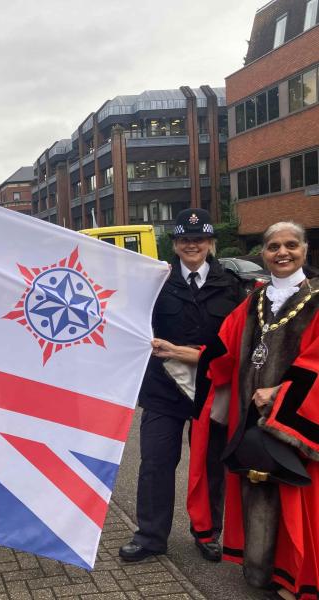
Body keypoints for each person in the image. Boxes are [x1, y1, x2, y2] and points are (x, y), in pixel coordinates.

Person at [195, 222, 319, 600]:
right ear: (263, 253)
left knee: (297, 497)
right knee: (257, 487)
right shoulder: (255, 300)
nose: (282, 252)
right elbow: (223, 350)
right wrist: (177, 355)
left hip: (292, 421)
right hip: (250, 419)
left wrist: (280, 393)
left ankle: (297, 577)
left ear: (305, 249)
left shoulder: (317, 298)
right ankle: (265, 569)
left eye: (291, 245)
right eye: (273, 246)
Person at [119, 208, 245, 563]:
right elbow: (132, 325)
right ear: (174, 244)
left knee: (211, 467)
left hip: (212, 390)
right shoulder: (155, 282)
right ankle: (150, 536)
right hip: (162, 389)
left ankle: (208, 534)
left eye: (199, 239)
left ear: (210, 243)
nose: (192, 245)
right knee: (156, 464)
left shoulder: (231, 285)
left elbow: (237, 340)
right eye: (185, 240)